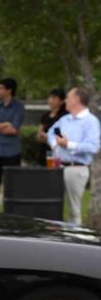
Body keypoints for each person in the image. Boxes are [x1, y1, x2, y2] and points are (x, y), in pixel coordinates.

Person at [47, 86, 100, 224]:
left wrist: (68, 144)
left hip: (76, 169)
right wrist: (55, 143)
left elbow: (93, 147)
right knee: (52, 206)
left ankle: (75, 241)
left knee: (73, 210)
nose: (65, 100)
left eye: (68, 97)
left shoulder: (91, 122)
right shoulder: (65, 119)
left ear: (77, 100)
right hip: (57, 168)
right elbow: (51, 132)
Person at [0, 78, 24, 212]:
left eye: (1, 88)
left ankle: (10, 213)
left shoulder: (18, 107)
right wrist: (5, 124)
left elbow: (13, 130)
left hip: (13, 152)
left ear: (9, 90)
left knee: (12, 186)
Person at [36, 88, 66, 166]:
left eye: (54, 98)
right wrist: (42, 137)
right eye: (50, 97)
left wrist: (48, 138)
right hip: (43, 152)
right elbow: (39, 134)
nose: (50, 100)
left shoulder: (65, 117)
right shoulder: (45, 116)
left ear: (62, 101)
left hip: (57, 153)